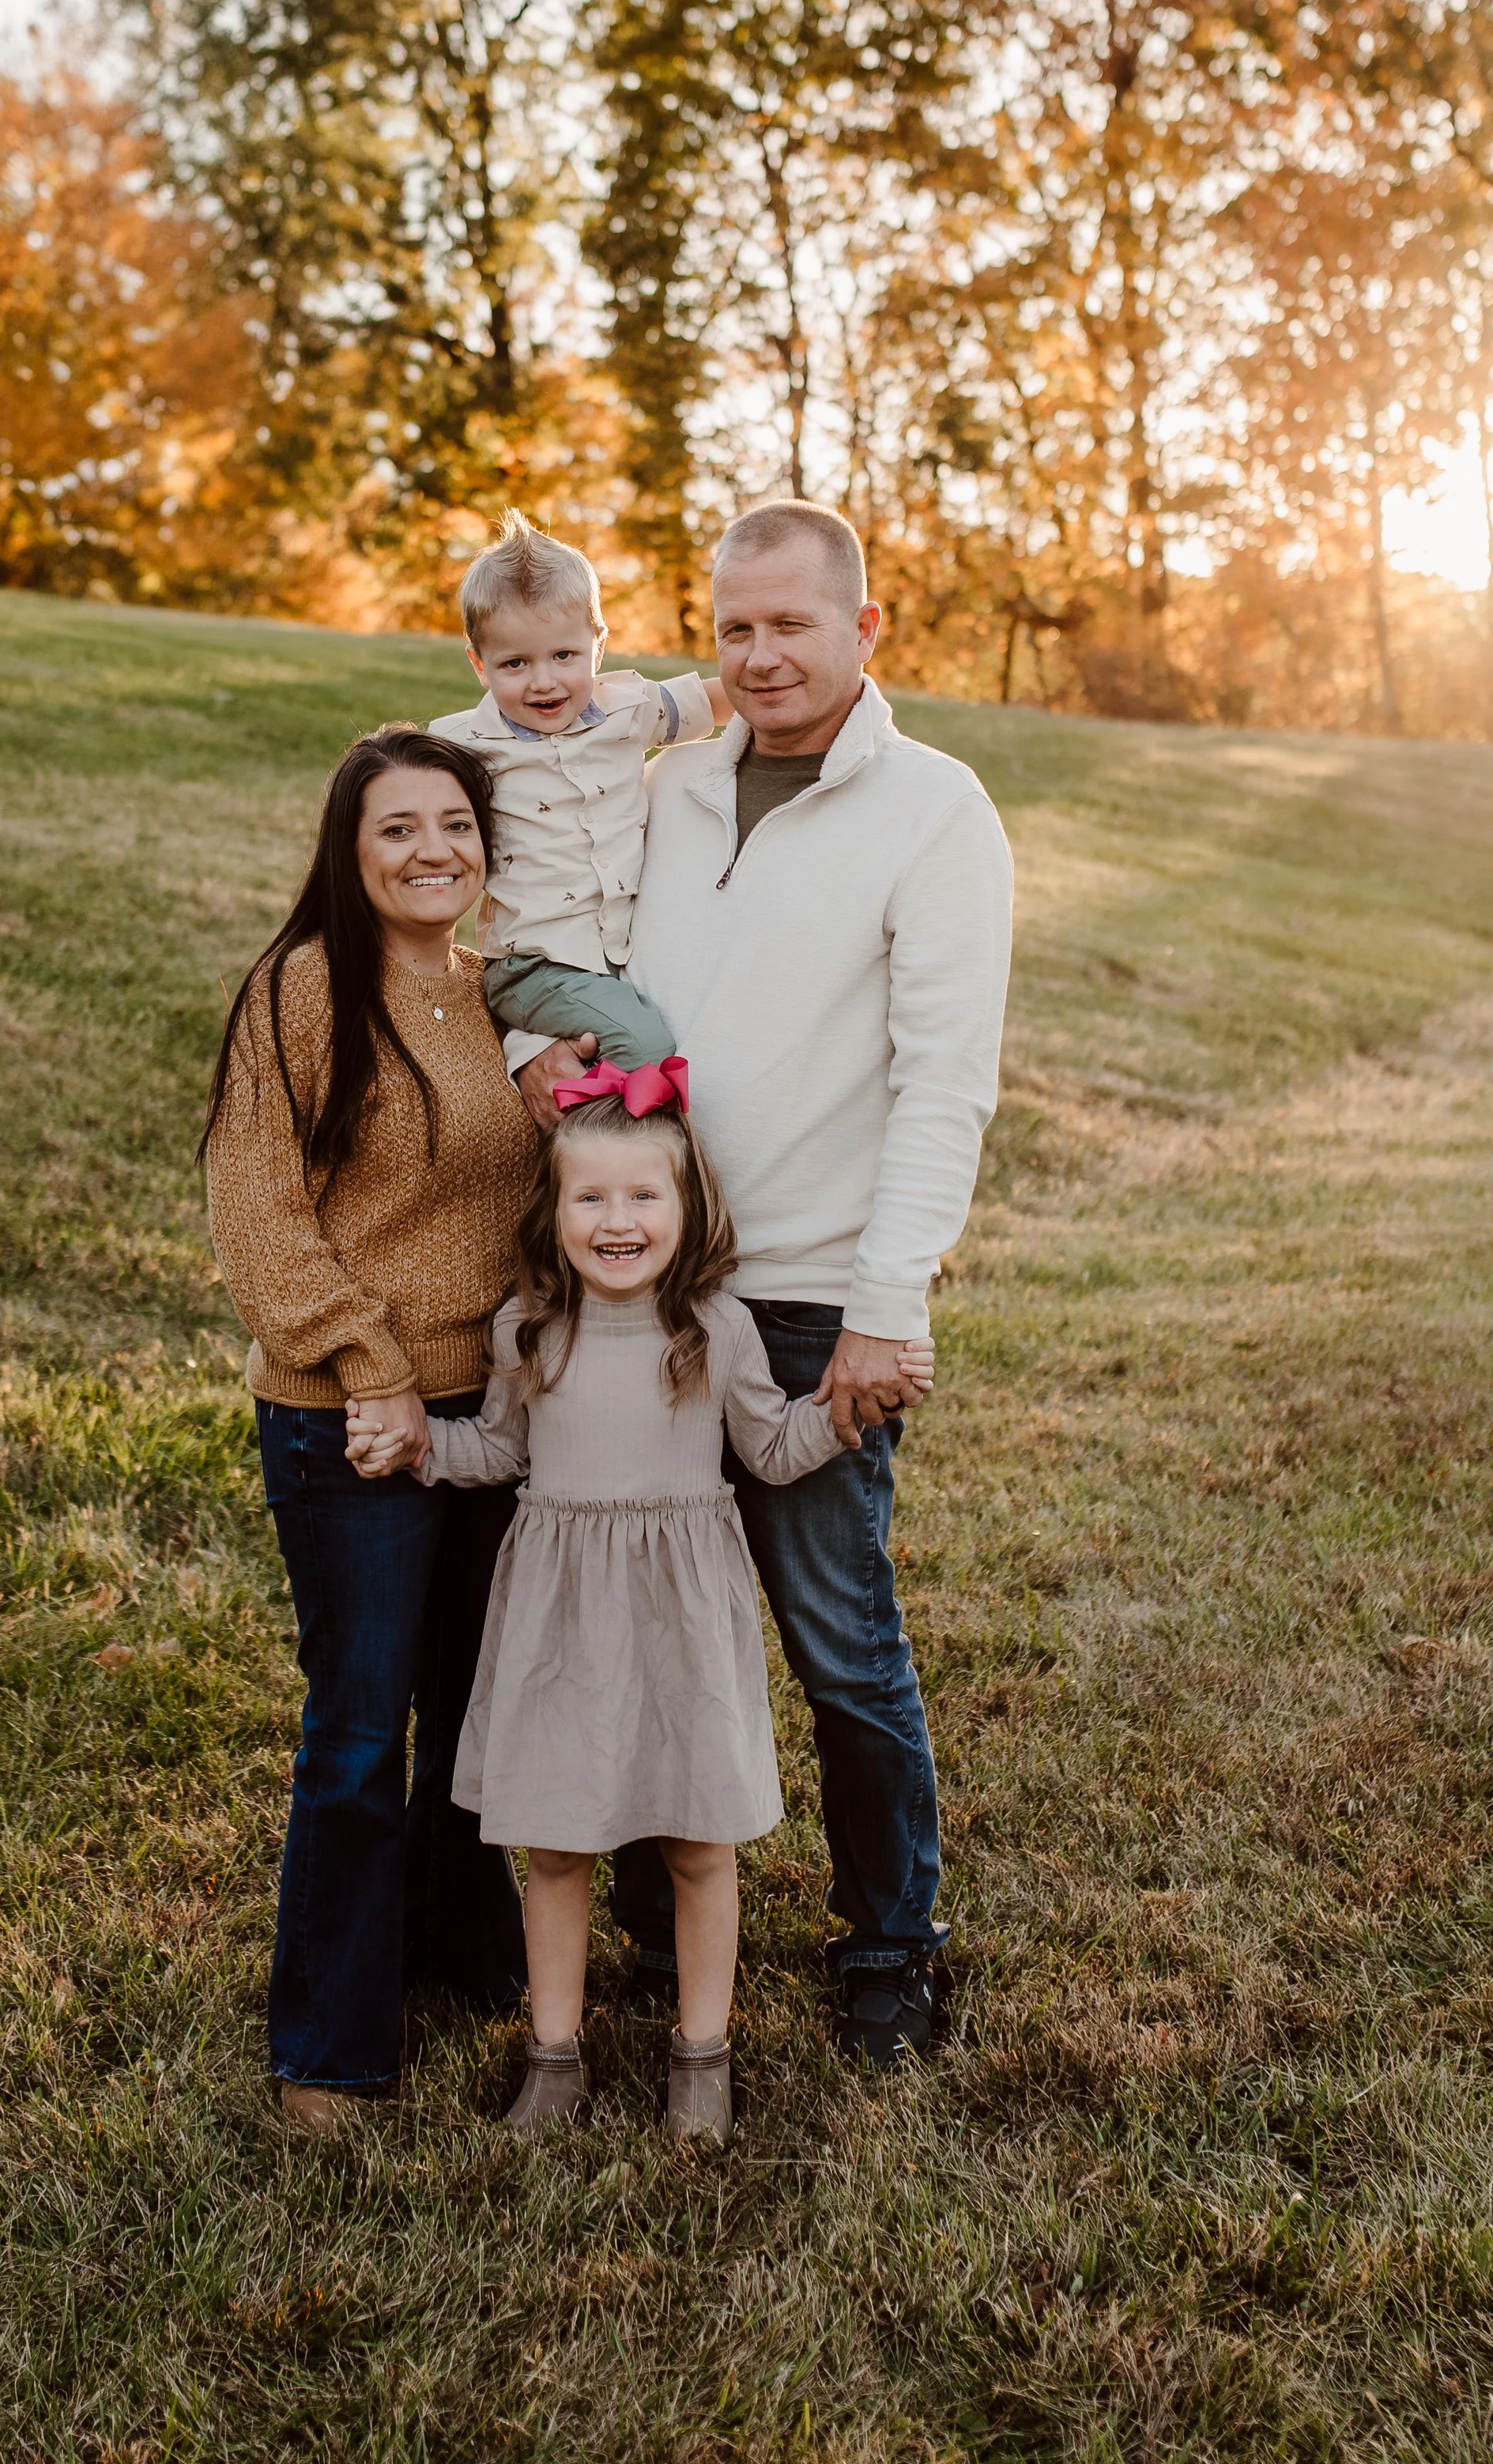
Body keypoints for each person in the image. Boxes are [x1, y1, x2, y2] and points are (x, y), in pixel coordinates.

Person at [503, 502, 1014, 2070]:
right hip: (634, 1290)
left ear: (864, 632)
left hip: (803, 1300)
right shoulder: (661, 793)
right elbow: (555, 944)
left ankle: (890, 1939)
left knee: (834, 1636)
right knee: (639, 1620)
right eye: (732, 627)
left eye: (790, 624)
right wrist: (535, 1051)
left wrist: (885, 1305)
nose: (758, 655)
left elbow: (943, 1086)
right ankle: (660, 1915)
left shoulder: (932, 812)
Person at [346, 1065, 934, 2142]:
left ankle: (702, 2056)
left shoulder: (718, 1329)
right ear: (554, 1209)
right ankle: (554, 2056)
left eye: (642, 1197)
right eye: (591, 1198)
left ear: (687, 1205)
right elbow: (497, 1452)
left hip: (682, 1613)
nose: (617, 1220)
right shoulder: (528, 1329)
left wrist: (854, 1410)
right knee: (558, 1841)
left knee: (701, 1840)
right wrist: (421, 1444)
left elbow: (771, 1445)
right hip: (561, 1618)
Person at [201, 724, 541, 2131]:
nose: (432, 852)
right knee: (357, 1733)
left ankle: (457, 1954)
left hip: (492, 1412)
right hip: (349, 1417)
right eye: (399, 829)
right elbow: (258, 1212)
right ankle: (328, 2051)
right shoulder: (300, 991)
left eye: (456, 825)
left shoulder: (491, 993)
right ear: (349, 851)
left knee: (471, 1714)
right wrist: (368, 1363)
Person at [429, 509, 731, 1071]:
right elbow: (386, 772)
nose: (543, 680)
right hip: (532, 965)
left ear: (598, 646)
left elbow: (718, 699)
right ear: (479, 665)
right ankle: (611, 1142)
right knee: (646, 1050)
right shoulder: (464, 745)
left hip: (620, 956)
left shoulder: (629, 711)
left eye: (564, 656)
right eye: (514, 663)